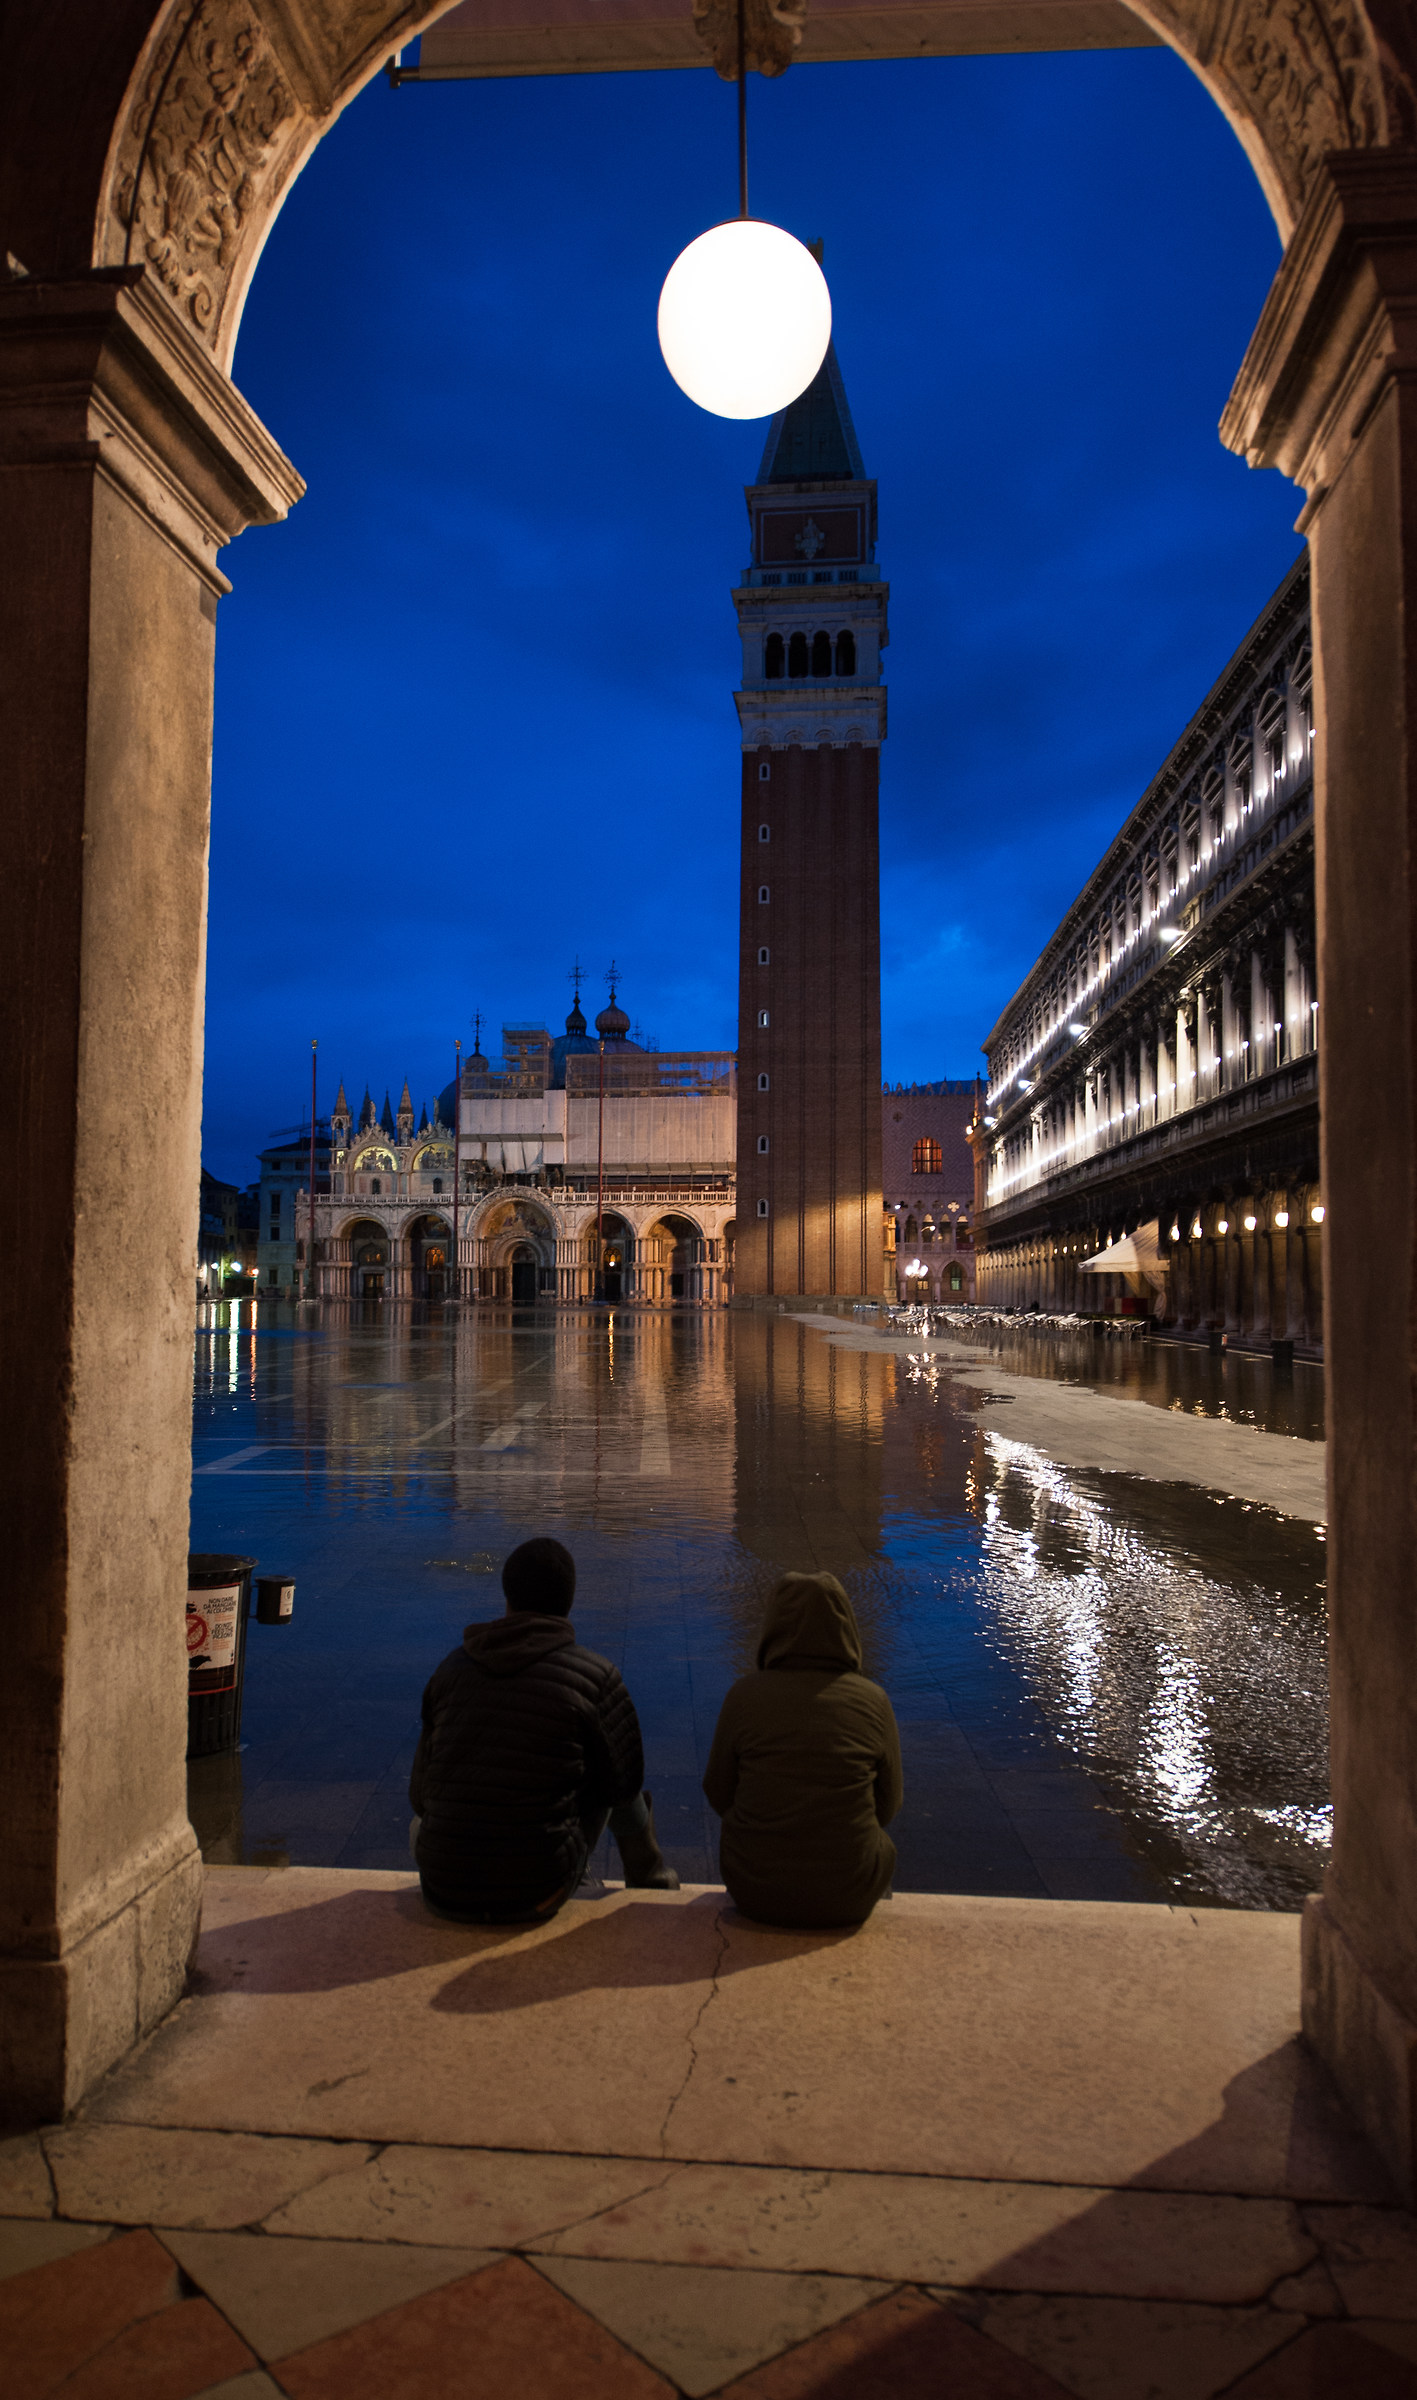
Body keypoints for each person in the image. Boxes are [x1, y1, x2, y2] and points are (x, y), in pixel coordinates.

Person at [410, 1536, 679, 1922]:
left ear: (507, 1597)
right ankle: (649, 1877)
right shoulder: (596, 1677)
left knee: (420, 1824)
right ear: (569, 1602)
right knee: (612, 1760)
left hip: (443, 1888)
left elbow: (419, 1797)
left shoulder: (450, 1671)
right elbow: (623, 1789)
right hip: (539, 1890)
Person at [703, 1571, 902, 1930]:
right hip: (850, 1892)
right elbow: (888, 1805)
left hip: (755, 1888)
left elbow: (718, 1790)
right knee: (880, 1843)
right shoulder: (873, 1701)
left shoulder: (744, 1697)